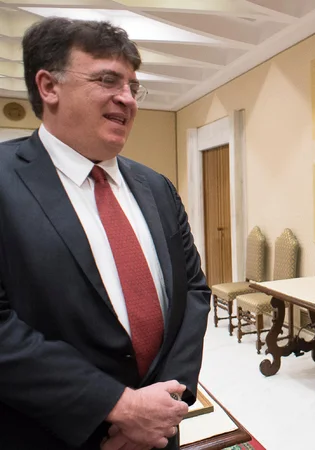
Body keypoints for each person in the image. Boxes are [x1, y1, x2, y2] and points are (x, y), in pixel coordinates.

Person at [0, 18, 210, 450]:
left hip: (159, 429)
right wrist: (117, 406)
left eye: (133, 86)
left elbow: (193, 290)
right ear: (48, 86)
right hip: (51, 433)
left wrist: (167, 401)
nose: (127, 99)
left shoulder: (157, 187)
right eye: (107, 80)